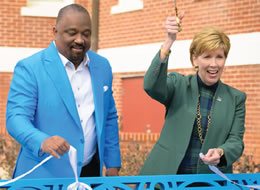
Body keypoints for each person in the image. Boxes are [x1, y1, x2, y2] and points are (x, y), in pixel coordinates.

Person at [6, 4, 121, 179]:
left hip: (89, 176)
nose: (80, 40)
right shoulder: (30, 68)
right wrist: (42, 141)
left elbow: (109, 117)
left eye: (86, 34)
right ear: (55, 31)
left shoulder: (102, 67)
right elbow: (16, 118)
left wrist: (112, 165)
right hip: (43, 177)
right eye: (72, 33)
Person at [139, 13, 246, 177]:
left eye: (219, 57)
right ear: (195, 59)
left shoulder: (236, 98)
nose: (214, 64)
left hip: (209, 181)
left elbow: (236, 141)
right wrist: (169, 40)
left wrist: (221, 152)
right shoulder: (178, 84)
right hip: (168, 180)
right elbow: (151, 86)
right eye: (207, 57)